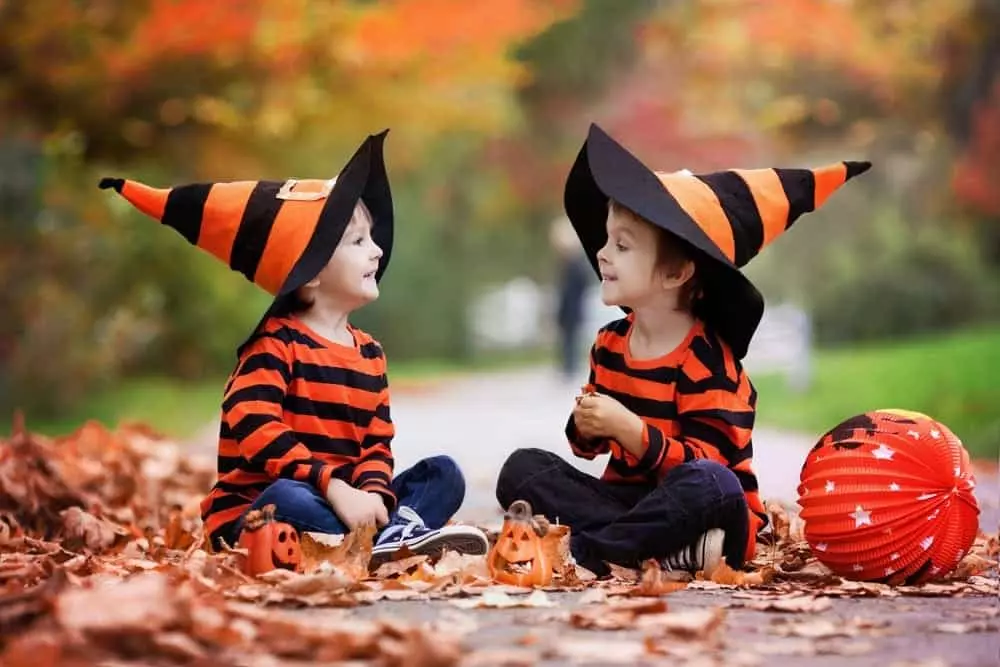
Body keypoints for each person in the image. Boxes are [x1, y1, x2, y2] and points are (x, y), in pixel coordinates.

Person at [99, 131, 489, 570]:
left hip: (345, 504)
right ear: (310, 273)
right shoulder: (274, 346)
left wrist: (374, 494)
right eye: (358, 242)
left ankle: (390, 535)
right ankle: (383, 539)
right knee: (288, 496)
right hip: (262, 510)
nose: (377, 250)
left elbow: (375, 446)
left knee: (443, 473)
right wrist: (336, 488)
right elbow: (257, 430)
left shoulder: (370, 355)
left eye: (371, 239)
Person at [496, 124, 870, 577]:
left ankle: (591, 551)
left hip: (706, 508)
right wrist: (587, 426)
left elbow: (705, 464)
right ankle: (653, 552)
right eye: (605, 240)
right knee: (524, 468)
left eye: (622, 245)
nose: (601, 253)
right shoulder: (610, 344)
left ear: (676, 275)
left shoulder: (709, 361)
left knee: (713, 484)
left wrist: (633, 433)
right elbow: (586, 450)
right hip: (635, 506)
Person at [550, 217, 594, 382]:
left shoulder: (576, 265)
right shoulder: (567, 264)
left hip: (573, 308)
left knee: (571, 338)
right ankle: (568, 366)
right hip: (568, 308)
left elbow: (578, 288)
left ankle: (571, 367)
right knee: (567, 338)